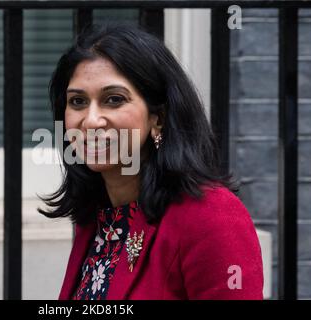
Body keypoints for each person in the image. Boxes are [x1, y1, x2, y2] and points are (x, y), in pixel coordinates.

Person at [38, 22, 264, 300]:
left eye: (114, 99)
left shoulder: (213, 216)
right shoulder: (98, 217)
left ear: (158, 118)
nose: (91, 120)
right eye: (77, 102)